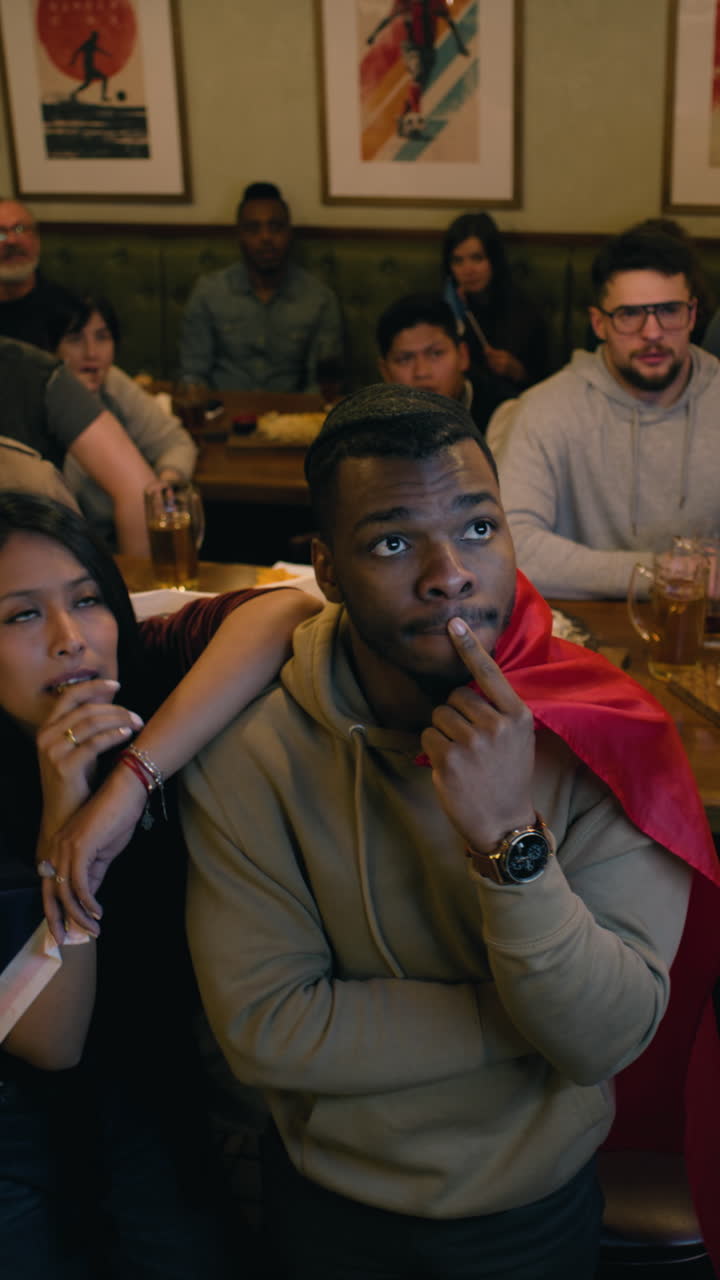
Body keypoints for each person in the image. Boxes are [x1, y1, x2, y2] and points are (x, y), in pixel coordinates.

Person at [180, 383, 719, 1279]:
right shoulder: (252, 750)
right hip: (327, 1206)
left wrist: (510, 840)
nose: (450, 573)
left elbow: (602, 1039)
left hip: (533, 1205)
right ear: (329, 569)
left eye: (479, 528)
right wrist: (521, 1020)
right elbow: (265, 1027)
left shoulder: (602, 731)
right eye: (393, 542)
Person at [0, 490, 319, 1277]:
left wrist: (128, 784)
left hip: (160, 1079)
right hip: (26, 1120)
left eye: (86, 600)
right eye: (20, 616)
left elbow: (290, 609)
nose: (73, 640)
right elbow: (52, 1043)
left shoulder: (138, 674)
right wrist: (60, 825)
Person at [494, 228, 720, 598]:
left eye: (669, 311)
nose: (652, 333)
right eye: (629, 315)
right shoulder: (545, 409)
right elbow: (510, 548)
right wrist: (667, 573)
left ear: (693, 315)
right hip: (582, 636)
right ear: (599, 323)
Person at [50, 294, 197, 547]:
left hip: (125, 539)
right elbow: (63, 496)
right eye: (75, 339)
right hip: (65, 545)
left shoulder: (112, 381)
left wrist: (166, 482)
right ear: (51, 348)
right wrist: (75, 401)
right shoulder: (43, 394)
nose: (91, 352)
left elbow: (176, 441)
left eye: (102, 337)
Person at [179, 182, 343, 392]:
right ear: (239, 234)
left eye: (275, 228)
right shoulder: (208, 293)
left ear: (289, 232)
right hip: (224, 413)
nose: (266, 238)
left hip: (291, 417)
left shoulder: (319, 299)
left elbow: (321, 383)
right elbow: (193, 372)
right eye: (253, 229)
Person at [443, 211, 549, 399]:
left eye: (477, 258)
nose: (468, 270)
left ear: (494, 260)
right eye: (458, 260)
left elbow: (548, 384)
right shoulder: (447, 310)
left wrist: (518, 372)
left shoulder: (524, 313)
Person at [377, 293, 502, 432]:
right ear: (385, 371)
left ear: (462, 356)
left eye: (436, 354)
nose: (422, 372)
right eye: (405, 359)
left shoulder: (504, 416)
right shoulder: (374, 428)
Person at [0, 198, 76, 351]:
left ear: (37, 239)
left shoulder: (68, 311)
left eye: (20, 229)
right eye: (0, 234)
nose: (11, 241)